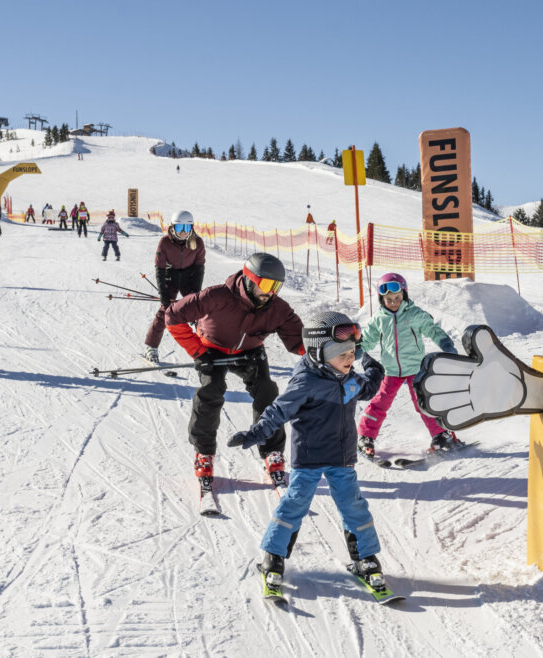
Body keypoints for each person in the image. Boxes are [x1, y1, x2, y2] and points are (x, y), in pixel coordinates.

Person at [228, 309, 387, 592]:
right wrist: (256, 432)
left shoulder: (349, 378)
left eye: (352, 352)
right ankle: (273, 558)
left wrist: (374, 366)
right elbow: (278, 412)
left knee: (354, 508)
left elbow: (369, 388)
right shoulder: (305, 383)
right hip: (310, 459)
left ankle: (366, 560)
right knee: (293, 507)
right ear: (318, 353)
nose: (349, 359)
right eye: (341, 353)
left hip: (342, 459)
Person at [164, 252, 305, 488]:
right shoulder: (216, 296)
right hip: (212, 350)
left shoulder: (278, 308)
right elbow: (173, 316)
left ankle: (272, 452)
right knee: (211, 390)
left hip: (250, 352)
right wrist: (198, 352)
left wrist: (330, 351)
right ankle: (204, 454)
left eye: (277, 286)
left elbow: (300, 342)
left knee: (267, 391)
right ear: (250, 279)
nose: (271, 292)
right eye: (268, 284)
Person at [356, 272, 460, 458]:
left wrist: (446, 345)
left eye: (397, 298)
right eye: (388, 299)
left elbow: (433, 330)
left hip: (415, 368)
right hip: (391, 371)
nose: (393, 302)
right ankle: (366, 436)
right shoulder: (379, 319)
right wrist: (356, 349)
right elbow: (367, 341)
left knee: (424, 402)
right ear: (382, 300)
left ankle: (441, 434)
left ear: (404, 295)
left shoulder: (415, 314)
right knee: (379, 403)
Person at [143, 211, 206, 363]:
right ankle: (151, 346)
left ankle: (208, 346)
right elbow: (160, 269)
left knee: (199, 311)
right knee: (165, 311)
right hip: (170, 278)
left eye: (186, 227)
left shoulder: (197, 242)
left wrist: (196, 292)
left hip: (188, 280)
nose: (183, 232)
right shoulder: (165, 242)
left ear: (191, 227)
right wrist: (163, 292)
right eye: (179, 228)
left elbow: (199, 269)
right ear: (172, 227)